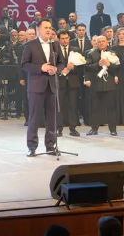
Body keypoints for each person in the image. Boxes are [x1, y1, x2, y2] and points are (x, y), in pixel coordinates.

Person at [19, 19, 64, 156]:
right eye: (46, 27)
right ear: (38, 30)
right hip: (36, 87)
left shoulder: (55, 44)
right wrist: (41, 68)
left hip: (51, 86)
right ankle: (32, 147)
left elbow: (61, 63)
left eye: (50, 27)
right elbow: (24, 65)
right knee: (34, 118)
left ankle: (50, 146)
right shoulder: (30, 45)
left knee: (52, 118)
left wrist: (56, 69)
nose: (49, 30)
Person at [83, 34, 120, 136]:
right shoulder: (91, 53)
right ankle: (94, 129)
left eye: (103, 41)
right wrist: (98, 64)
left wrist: (109, 65)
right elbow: (87, 67)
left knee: (111, 108)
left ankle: (113, 130)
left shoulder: (112, 53)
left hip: (109, 84)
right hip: (96, 84)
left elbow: (117, 68)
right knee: (95, 107)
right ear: (96, 43)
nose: (101, 43)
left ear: (107, 42)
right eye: (99, 42)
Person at [54, 30, 81, 137]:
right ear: (58, 39)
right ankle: (59, 129)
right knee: (59, 106)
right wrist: (62, 70)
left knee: (73, 106)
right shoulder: (54, 50)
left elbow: (81, 66)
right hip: (59, 82)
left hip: (73, 82)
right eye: (62, 39)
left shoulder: (76, 50)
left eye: (66, 38)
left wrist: (73, 67)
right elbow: (53, 64)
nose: (65, 40)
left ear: (69, 38)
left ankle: (73, 128)